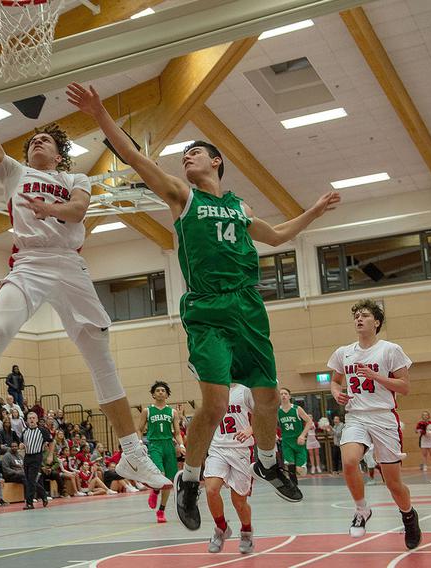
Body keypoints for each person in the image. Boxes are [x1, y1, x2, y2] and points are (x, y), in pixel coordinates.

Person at [68, 83, 339, 530]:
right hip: (208, 308)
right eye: (183, 155)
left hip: (248, 305)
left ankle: (268, 462)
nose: (185, 158)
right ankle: (190, 479)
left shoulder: (238, 205)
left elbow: (275, 236)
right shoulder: (182, 196)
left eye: (194, 152)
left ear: (216, 161)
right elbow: (136, 159)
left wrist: (313, 210)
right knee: (213, 405)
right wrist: (99, 112)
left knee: (267, 397)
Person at [0, 67, 170, 494]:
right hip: (30, 264)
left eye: (46, 141)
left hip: (70, 267)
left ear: (58, 156)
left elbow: (77, 212)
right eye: (32, 140)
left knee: (100, 358)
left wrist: (47, 209)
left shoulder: (76, 179)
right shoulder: (14, 173)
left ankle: (133, 454)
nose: (37, 141)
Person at [328, 299, 421, 549]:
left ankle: (409, 516)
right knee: (348, 461)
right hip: (357, 416)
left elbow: (405, 387)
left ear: (376, 322)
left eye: (365, 315)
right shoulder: (343, 352)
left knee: (393, 484)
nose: (359, 318)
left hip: (383, 417)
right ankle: (361, 509)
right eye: (356, 315)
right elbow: (335, 381)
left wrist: (376, 376)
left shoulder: (390, 350)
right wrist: (337, 392)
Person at [202, 383, 255, 554]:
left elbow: (264, 414)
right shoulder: (213, 390)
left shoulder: (246, 390)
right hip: (218, 447)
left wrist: (250, 429)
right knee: (211, 490)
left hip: (241, 449)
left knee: (239, 502)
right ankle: (221, 528)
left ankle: (246, 532)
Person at [138, 381, 184, 523]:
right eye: (157, 390)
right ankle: (155, 491)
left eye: (163, 391)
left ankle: (161, 510)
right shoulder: (147, 411)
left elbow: (177, 432)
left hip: (169, 445)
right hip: (155, 445)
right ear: (153, 394)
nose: (160, 392)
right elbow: (139, 429)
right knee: (160, 475)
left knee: (168, 482)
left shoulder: (172, 412)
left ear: (167, 394)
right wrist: (140, 443)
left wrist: (181, 445)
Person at [278, 388, 313, 480]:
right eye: (281, 394)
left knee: (299, 470)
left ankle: (301, 468)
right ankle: (294, 487)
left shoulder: (297, 409)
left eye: (285, 393)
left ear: (289, 396)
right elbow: (271, 424)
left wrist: (302, 435)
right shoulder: (278, 411)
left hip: (298, 441)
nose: (283, 395)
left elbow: (309, 421)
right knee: (290, 466)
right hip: (287, 442)